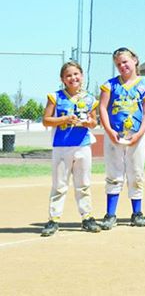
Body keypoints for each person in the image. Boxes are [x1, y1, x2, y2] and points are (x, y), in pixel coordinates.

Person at [97, 47, 145, 230]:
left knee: (136, 173)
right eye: (118, 64)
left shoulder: (144, 86)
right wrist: (109, 131)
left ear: (135, 60)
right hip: (114, 136)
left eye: (125, 62)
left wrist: (139, 133)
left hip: (136, 137)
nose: (122, 66)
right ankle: (110, 214)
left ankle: (137, 212)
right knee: (114, 173)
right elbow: (102, 108)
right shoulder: (110, 85)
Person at [40, 61, 101, 236]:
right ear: (63, 79)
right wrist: (64, 119)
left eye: (76, 74)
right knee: (59, 184)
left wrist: (90, 122)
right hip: (62, 146)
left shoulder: (89, 99)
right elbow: (46, 120)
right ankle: (54, 219)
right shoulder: (56, 97)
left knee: (83, 183)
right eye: (68, 75)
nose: (73, 78)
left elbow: (94, 121)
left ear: (82, 76)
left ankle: (87, 217)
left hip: (82, 145)